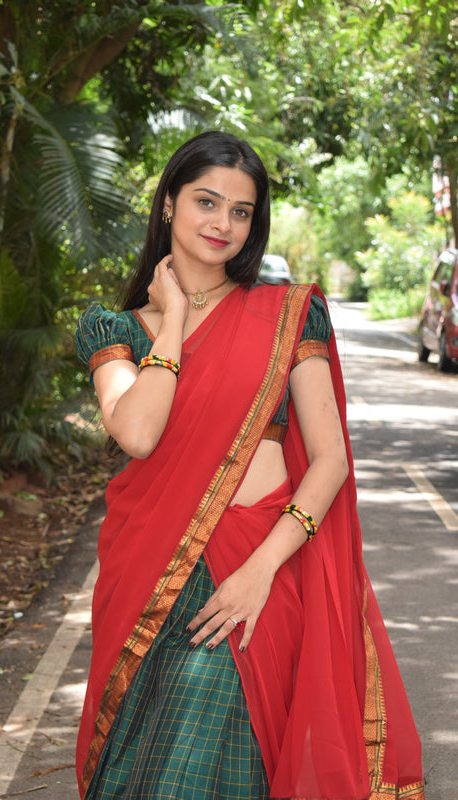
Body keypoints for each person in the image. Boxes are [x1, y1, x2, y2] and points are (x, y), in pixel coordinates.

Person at [75, 131, 425, 800]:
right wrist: (173, 318)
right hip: (149, 577)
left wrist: (260, 571)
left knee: (219, 770)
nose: (222, 224)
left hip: (256, 574)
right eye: (207, 202)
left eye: (241, 211)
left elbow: (329, 463)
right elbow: (139, 433)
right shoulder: (115, 329)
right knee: (142, 775)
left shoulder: (289, 316)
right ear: (169, 203)